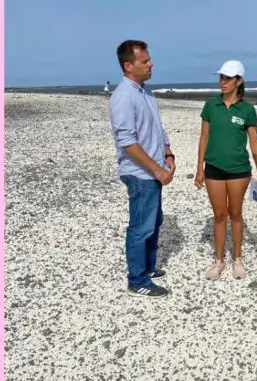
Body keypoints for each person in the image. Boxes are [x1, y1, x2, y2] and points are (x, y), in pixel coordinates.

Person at [109, 40, 176, 298]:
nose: (151, 64)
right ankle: (137, 279)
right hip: (140, 174)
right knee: (141, 226)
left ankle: (147, 267)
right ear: (128, 65)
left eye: (149, 59)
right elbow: (127, 142)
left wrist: (168, 153)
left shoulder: (145, 92)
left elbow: (157, 129)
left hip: (154, 170)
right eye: (145, 61)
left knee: (154, 220)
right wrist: (156, 170)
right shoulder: (123, 97)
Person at [194, 60, 257, 280]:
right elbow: (204, 137)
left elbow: (254, 142)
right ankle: (218, 261)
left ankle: (237, 259)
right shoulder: (211, 106)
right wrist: (199, 168)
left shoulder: (247, 109)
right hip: (213, 168)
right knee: (219, 215)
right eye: (221, 77)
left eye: (227, 78)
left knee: (235, 214)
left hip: (239, 170)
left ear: (239, 81)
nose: (222, 81)